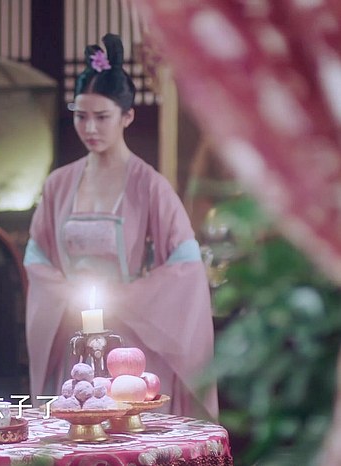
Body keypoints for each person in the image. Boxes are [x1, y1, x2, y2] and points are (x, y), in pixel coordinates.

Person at [23, 33, 218, 420]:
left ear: (127, 116)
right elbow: (37, 257)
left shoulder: (150, 185)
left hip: (131, 342)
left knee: (124, 430)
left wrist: (126, 297)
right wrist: (66, 295)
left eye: (102, 117)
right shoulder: (59, 183)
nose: (89, 128)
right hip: (75, 338)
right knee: (77, 429)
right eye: (80, 115)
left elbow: (186, 265)